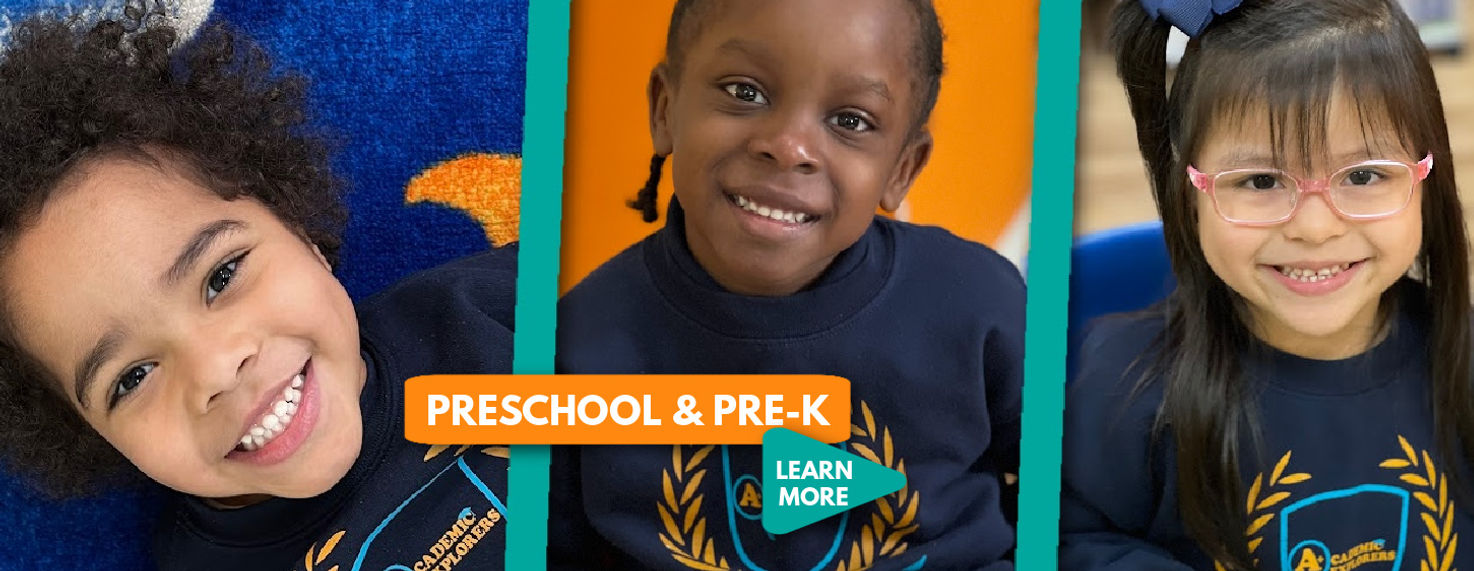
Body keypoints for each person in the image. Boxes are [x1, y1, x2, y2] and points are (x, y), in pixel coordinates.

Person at [0, 14, 516, 570]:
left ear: (298, 228)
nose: (217, 370)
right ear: (94, 436)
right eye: (132, 379)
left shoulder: (492, 315)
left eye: (221, 277)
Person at [551, 0, 1026, 568]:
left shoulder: (980, 302)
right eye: (745, 92)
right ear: (664, 108)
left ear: (902, 168)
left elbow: (1068, 505)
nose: (788, 145)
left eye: (850, 120)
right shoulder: (576, 341)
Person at [1060, 0, 1474, 569]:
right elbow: (1067, 540)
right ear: (1190, 195)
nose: (1314, 226)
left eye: (1363, 175)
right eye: (1260, 180)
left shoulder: (1465, 362)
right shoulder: (1119, 386)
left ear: (1428, 178)